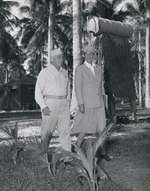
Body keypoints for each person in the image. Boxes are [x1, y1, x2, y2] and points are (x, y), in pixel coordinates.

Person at [72, 45, 111, 161]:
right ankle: (76, 149)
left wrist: (105, 104)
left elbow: (101, 87)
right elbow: (78, 88)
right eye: (87, 54)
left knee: (103, 129)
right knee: (84, 128)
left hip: (99, 104)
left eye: (92, 54)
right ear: (84, 55)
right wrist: (80, 104)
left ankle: (103, 152)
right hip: (87, 104)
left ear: (94, 55)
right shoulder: (80, 69)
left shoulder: (98, 68)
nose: (89, 56)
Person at [35, 48, 71, 156]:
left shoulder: (64, 72)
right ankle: (43, 156)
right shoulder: (45, 72)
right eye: (58, 57)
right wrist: (43, 106)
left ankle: (67, 157)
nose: (61, 59)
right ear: (52, 59)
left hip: (64, 104)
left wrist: (68, 101)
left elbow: (68, 89)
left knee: (65, 131)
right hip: (50, 104)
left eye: (61, 57)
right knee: (47, 132)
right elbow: (38, 91)